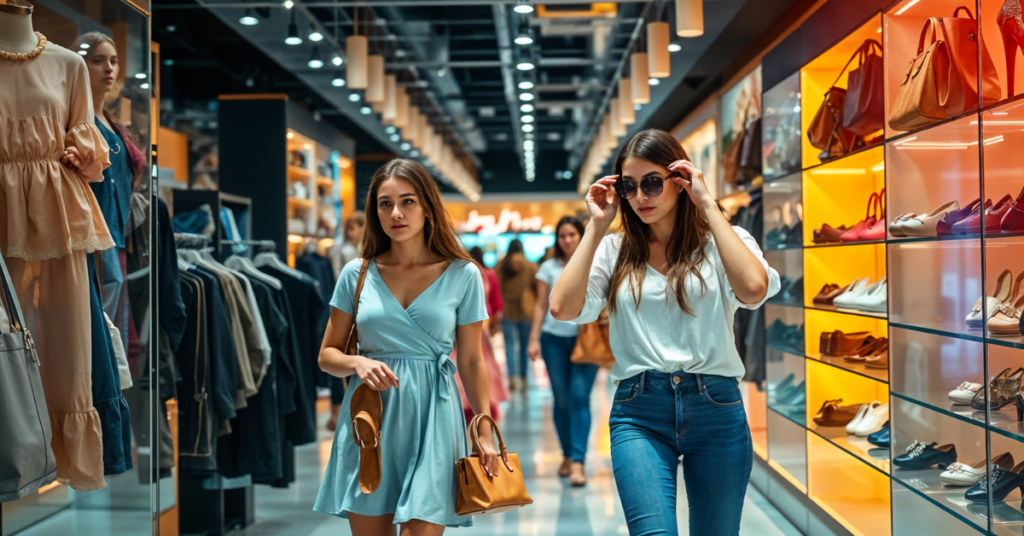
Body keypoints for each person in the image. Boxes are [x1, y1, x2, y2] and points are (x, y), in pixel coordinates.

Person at [550, 130, 780, 536]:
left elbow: (753, 289)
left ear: (680, 179)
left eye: (652, 182)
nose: (641, 196)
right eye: (629, 186)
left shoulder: (721, 241)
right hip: (639, 410)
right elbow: (563, 308)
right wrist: (595, 226)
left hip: (716, 405)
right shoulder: (613, 249)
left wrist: (707, 204)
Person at [314, 159, 498, 534]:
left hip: (435, 414)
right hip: (371, 417)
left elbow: (472, 360)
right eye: (385, 203)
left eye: (407, 201)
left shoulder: (463, 275)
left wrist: (482, 428)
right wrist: (356, 364)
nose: (396, 213)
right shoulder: (357, 273)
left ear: (428, 207)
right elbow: (327, 355)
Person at [527, 216, 596, 486]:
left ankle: (578, 460)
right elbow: (541, 305)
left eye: (572, 234)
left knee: (580, 397)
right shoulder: (548, 267)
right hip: (553, 339)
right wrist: (533, 338)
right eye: (562, 235)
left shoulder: (593, 262)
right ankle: (567, 454)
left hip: (586, 339)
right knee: (562, 399)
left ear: (581, 236)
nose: (567, 240)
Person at [327, 210, 367, 431]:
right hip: (349, 305)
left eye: (354, 227)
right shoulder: (347, 256)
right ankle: (338, 410)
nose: (351, 232)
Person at [496, 239, 537, 392]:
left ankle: (512, 377)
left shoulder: (501, 266)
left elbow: (496, 288)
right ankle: (524, 375)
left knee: (509, 345)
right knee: (524, 346)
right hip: (526, 311)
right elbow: (537, 289)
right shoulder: (530, 266)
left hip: (507, 311)